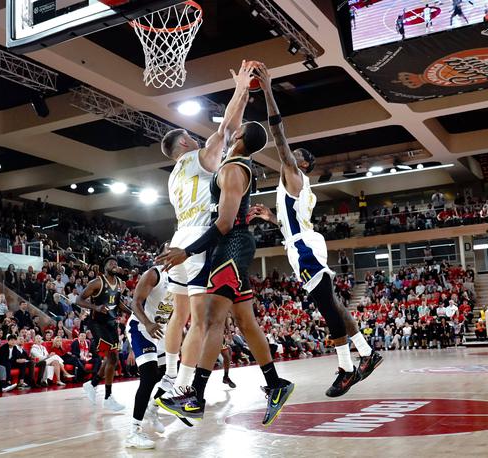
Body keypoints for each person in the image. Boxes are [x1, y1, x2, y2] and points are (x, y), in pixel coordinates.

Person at [157, 83, 293, 425]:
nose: (230, 133)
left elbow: (225, 222)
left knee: (211, 320)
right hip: (231, 243)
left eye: (237, 133)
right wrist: (242, 93)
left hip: (229, 244)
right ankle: (276, 384)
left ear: (241, 139)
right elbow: (228, 127)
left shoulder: (232, 167)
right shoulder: (230, 163)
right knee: (244, 322)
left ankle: (194, 396)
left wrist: (186, 251)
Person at [247, 64, 382, 397]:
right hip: (303, 241)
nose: (287, 157)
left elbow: (278, 136)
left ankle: (346, 369)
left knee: (326, 308)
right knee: (333, 304)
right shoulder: (298, 187)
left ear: (303, 163)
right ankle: (366, 352)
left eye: (294, 156)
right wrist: (274, 219)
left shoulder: (293, 174)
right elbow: (296, 221)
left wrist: (267, 92)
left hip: (304, 248)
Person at [158, 60, 252, 397]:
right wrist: (240, 89)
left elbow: (230, 130)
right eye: (190, 137)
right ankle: (182, 388)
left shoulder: (173, 176)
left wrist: (241, 99)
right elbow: (227, 128)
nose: (197, 139)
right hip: (198, 241)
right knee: (200, 321)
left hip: (179, 236)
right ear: (183, 145)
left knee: (178, 315)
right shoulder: (198, 157)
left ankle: (169, 374)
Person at [125, 262, 173, 449]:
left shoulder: (184, 279)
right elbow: (134, 303)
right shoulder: (155, 274)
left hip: (162, 331)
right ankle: (133, 432)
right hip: (142, 327)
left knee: (171, 374)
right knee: (149, 376)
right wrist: (148, 324)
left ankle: (152, 408)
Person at [79, 257, 129, 411]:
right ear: (105, 267)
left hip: (112, 323)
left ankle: (92, 384)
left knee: (112, 360)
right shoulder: (97, 282)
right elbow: (79, 300)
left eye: (116, 264)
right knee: (112, 358)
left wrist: (132, 312)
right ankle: (107, 397)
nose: (114, 265)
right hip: (97, 324)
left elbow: (118, 303)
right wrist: (95, 307)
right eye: (111, 263)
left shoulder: (120, 283)